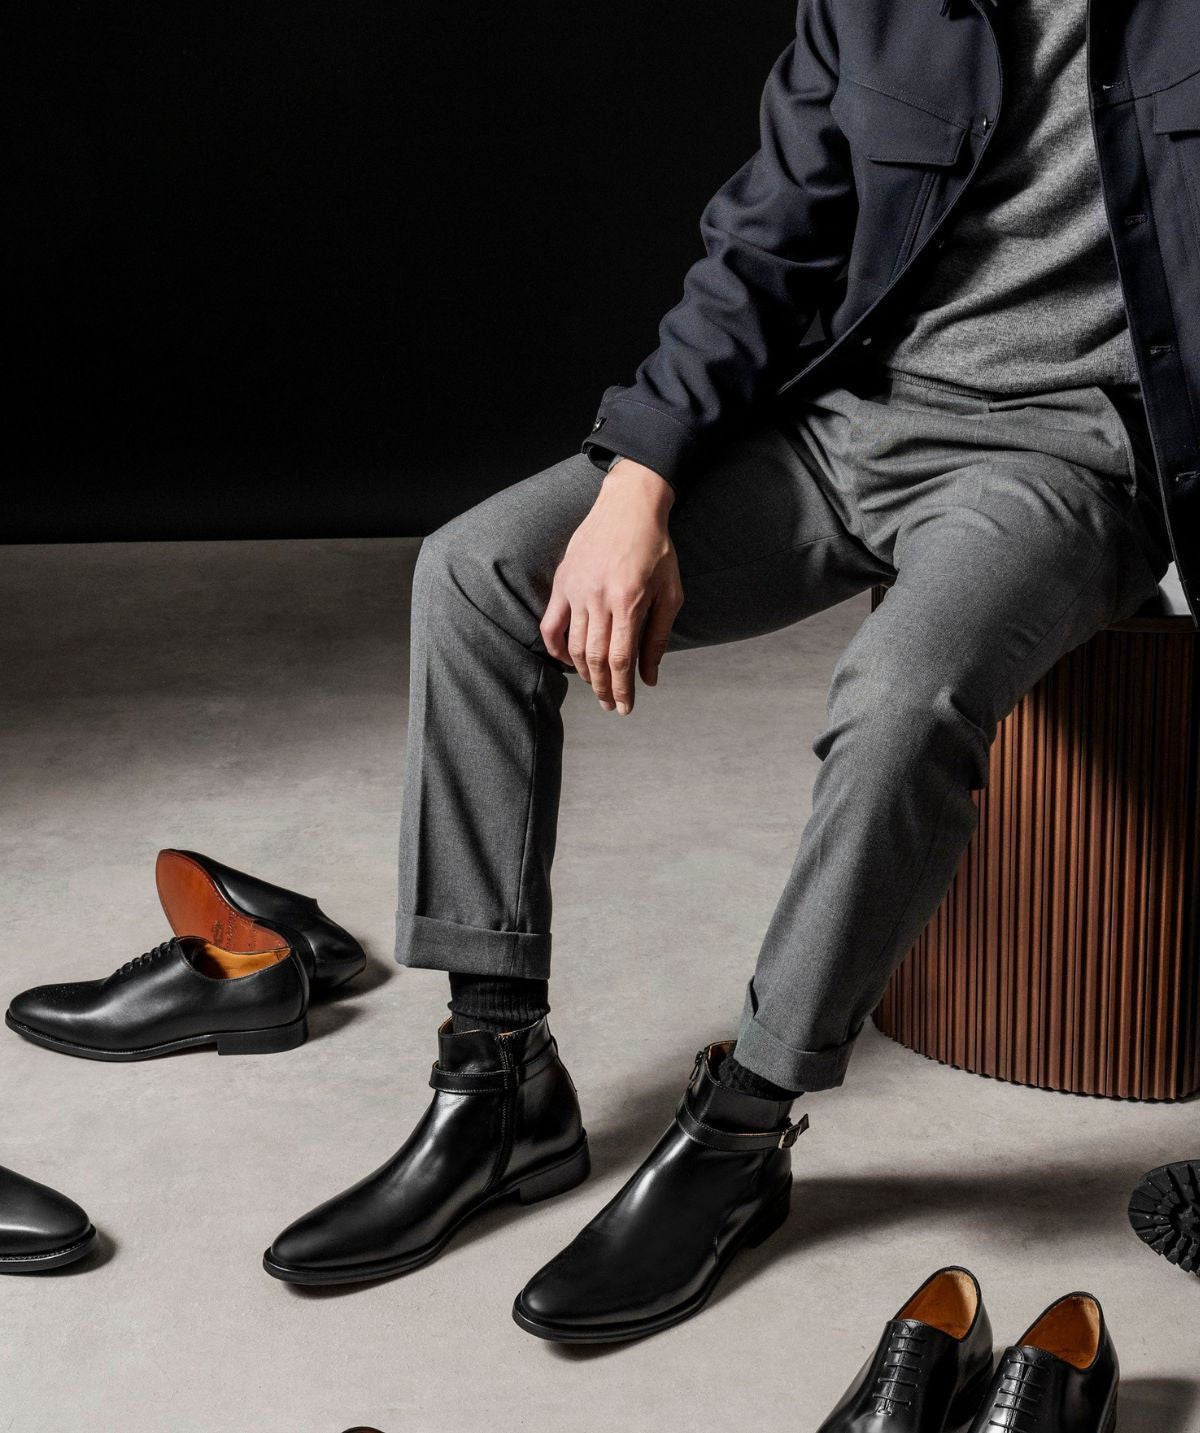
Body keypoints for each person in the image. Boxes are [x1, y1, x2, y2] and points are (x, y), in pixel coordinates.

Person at [264, 0, 1198, 1346]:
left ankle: (742, 1132)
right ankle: (497, 1077)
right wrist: (639, 484)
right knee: (475, 572)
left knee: (903, 698)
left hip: (1062, 463)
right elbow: (765, 244)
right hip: (843, 421)